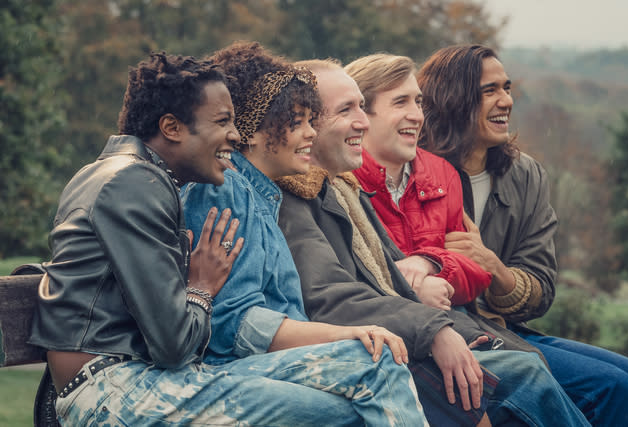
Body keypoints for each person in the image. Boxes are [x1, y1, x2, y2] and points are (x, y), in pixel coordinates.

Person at [25, 51, 405, 427]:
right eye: (223, 121)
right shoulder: (132, 183)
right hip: (111, 391)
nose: (234, 136)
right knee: (357, 396)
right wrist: (202, 287)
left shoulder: (138, 179)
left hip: (139, 379)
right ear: (172, 128)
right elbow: (175, 346)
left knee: (361, 389)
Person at [277, 58, 590, 426]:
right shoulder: (325, 189)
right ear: (303, 125)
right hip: (388, 343)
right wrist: (437, 327)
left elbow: (468, 270)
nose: (361, 120)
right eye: (349, 109)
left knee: (599, 378)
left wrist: (433, 267)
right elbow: (337, 297)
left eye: (419, 102)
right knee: (531, 378)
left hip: (441, 324)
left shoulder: (399, 180)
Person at [181, 41, 428, 427]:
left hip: (270, 366)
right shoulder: (224, 189)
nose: (311, 134)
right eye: (296, 122)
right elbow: (233, 323)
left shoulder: (264, 196)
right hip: (226, 371)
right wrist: (345, 334)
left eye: (311, 121)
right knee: (377, 359)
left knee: (360, 395)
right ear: (255, 130)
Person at [417, 44, 628, 426]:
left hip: (508, 328)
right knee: (610, 386)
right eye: (490, 91)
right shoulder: (420, 171)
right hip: (455, 336)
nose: (506, 100)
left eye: (507, 88)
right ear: (453, 100)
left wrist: (494, 268)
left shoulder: (525, 175)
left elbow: (540, 290)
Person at [347, 53, 491, 310]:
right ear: (361, 114)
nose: (417, 116)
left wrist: (428, 263)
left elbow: (476, 273)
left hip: (456, 323)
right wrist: (413, 291)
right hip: (384, 334)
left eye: (418, 102)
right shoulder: (342, 180)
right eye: (401, 102)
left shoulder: (442, 174)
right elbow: (338, 282)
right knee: (526, 354)